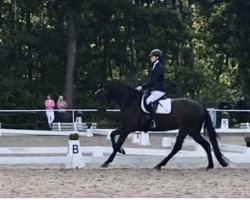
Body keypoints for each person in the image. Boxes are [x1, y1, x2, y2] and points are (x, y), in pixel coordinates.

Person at [135, 49, 166, 129]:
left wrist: (142, 87)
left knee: (148, 101)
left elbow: (154, 81)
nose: (150, 58)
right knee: (143, 98)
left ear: (157, 57)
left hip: (159, 90)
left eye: (152, 56)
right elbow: (151, 80)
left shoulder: (159, 66)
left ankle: (153, 121)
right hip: (154, 90)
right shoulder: (154, 66)